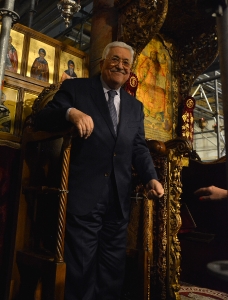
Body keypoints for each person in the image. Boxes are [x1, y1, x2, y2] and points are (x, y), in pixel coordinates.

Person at [35, 41, 164, 300]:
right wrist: (71, 113)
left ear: (130, 71)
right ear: (103, 62)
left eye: (126, 63)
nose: (120, 66)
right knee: (80, 269)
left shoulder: (135, 107)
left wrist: (151, 177)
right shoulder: (76, 88)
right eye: (115, 59)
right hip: (84, 195)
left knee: (112, 271)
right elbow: (41, 118)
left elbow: (138, 147)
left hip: (118, 199)